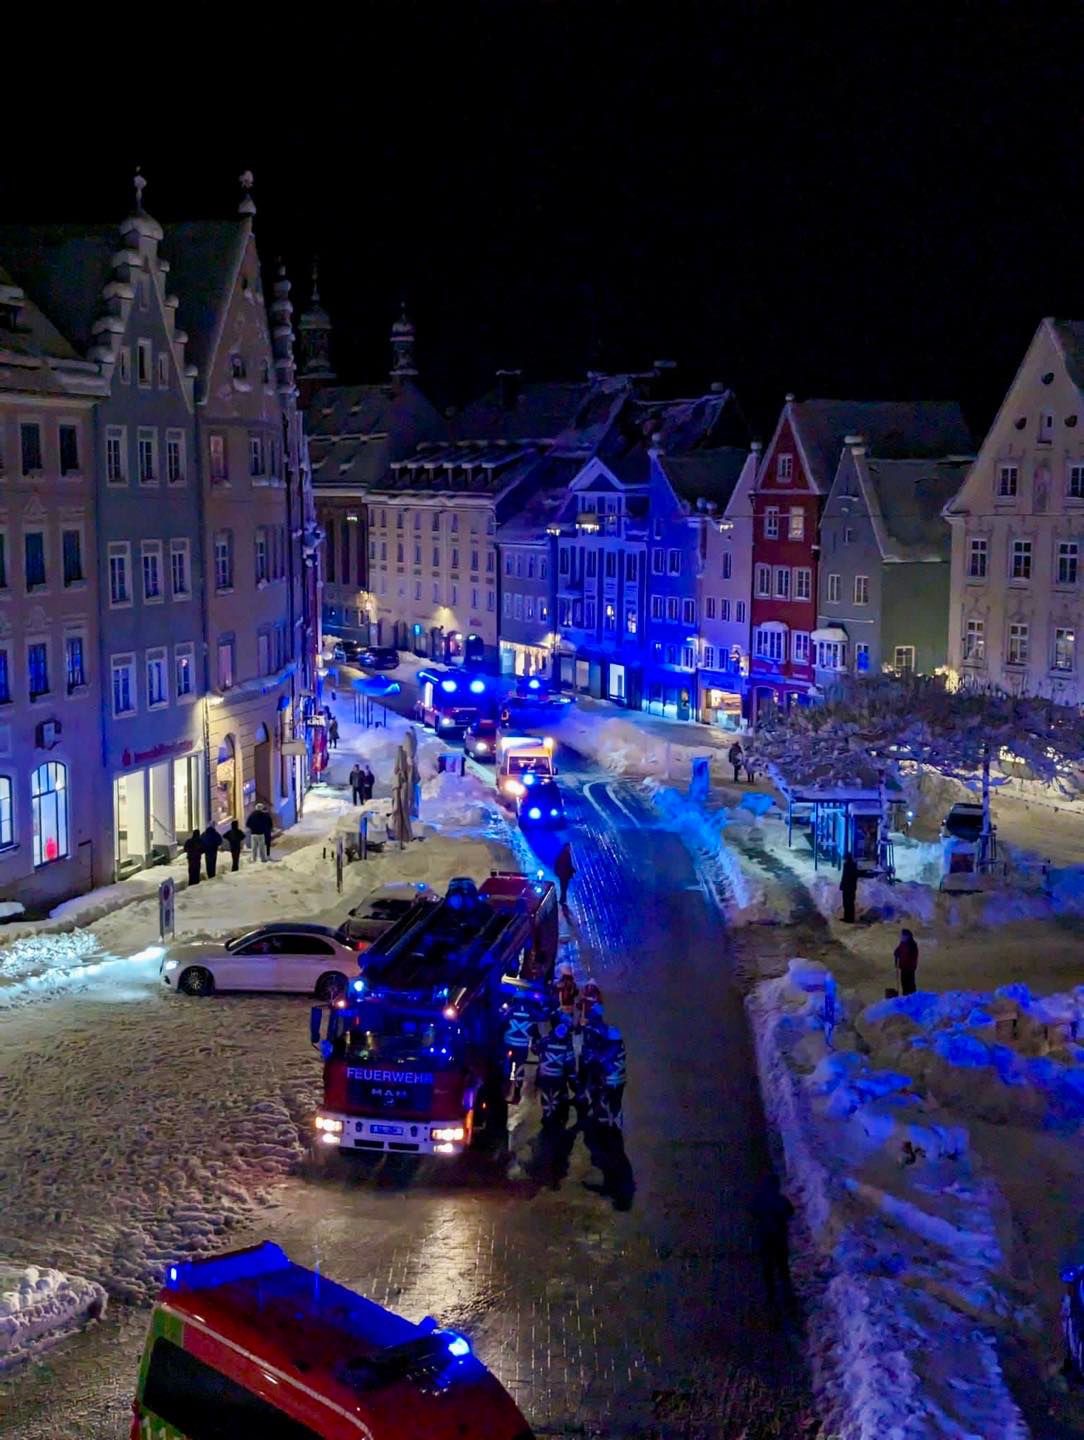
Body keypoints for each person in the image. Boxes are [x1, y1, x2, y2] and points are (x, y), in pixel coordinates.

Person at [751, 1171, 796, 1318]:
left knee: (767, 1269)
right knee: (782, 1268)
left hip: (764, 1239)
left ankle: (770, 1298)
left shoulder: (759, 1200)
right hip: (779, 1240)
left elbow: (752, 1212)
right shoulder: (780, 1200)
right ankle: (787, 1299)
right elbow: (790, 1211)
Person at [533, 1020, 576, 1127]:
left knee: (545, 1096)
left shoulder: (545, 1041)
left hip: (544, 1075)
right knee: (556, 1096)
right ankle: (553, 1117)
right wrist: (573, 1080)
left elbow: (535, 1049)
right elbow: (570, 1064)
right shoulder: (567, 1046)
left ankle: (547, 1116)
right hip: (558, 1076)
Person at [894, 927, 919, 996]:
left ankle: (912, 995)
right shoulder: (902, 943)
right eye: (902, 936)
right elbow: (898, 950)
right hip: (903, 967)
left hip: (909, 968)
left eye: (903, 936)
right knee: (904, 982)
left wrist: (900, 955)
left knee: (909, 983)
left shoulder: (912, 945)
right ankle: (905, 995)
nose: (902, 937)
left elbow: (908, 956)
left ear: (908, 936)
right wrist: (896, 954)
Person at [840, 851, 859, 924]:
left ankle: (849, 918)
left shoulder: (848, 866)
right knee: (849, 903)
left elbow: (845, 876)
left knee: (848, 903)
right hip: (850, 887)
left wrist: (842, 885)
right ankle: (848, 918)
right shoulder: (853, 865)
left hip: (848, 887)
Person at [554, 842, 575, 907]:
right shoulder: (565, 854)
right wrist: (573, 870)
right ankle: (562, 901)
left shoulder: (564, 854)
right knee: (564, 887)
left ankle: (563, 900)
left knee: (564, 887)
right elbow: (567, 864)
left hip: (563, 874)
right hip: (564, 874)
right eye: (569, 847)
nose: (570, 848)